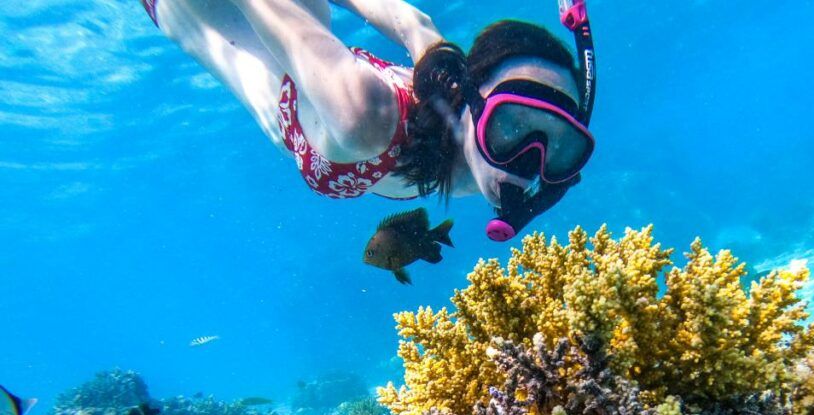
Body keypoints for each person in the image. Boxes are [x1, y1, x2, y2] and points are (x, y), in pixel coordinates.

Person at [141, 0, 596, 240]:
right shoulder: (365, 115)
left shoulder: (477, 159)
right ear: (470, 100)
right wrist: (423, 40)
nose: (526, 163)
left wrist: (424, 40)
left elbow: (414, 21)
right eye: (511, 124)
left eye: (559, 147)